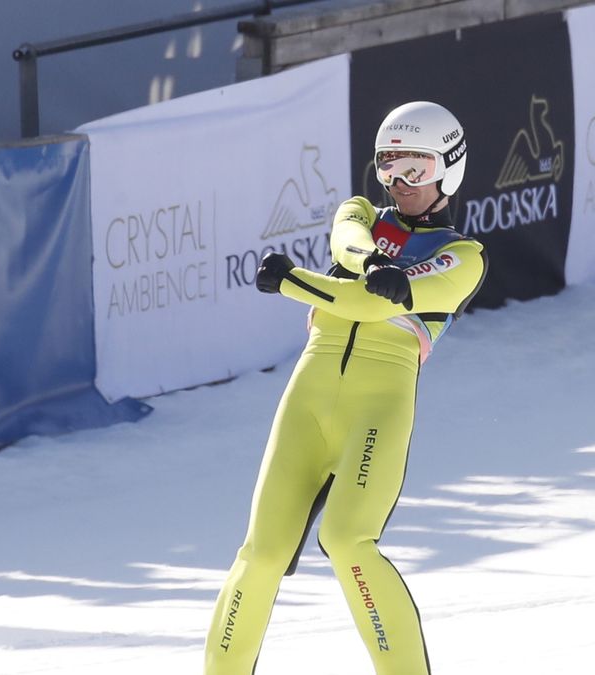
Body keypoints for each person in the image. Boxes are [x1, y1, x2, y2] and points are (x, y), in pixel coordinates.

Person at [204, 101, 487, 675]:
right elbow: (347, 245)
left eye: (416, 169)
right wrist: (370, 265)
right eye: (389, 166)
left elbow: (365, 301)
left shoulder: (463, 258)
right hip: (309, 393)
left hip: (377, 409)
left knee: (349, 542)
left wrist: (291, 282)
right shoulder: (360, 211)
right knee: (262, 552)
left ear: (447, 171)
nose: (399, 182)